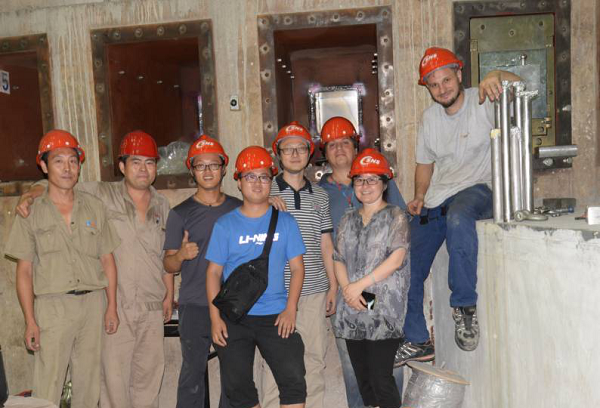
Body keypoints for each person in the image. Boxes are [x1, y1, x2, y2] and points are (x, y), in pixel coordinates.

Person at [16, 130, 174, 408]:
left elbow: (164, 256)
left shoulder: (163, 205)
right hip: (107, 306)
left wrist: (168, 296)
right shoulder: (101, 194)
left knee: (142, 385)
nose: (143, 169)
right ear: (122, 166)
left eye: (149, 162)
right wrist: (31, 192)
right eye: (136, 162)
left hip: (142, 307)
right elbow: (61, 184)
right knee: (109, 385)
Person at [397, 47, 521, 365]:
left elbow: (521, 86)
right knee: (405, 255)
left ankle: (464, 308)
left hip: (479, 189)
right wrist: (420, 196)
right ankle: (416, 338)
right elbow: (424, 163)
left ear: (459, 74)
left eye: (446, 80)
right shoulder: (429, 118)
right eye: (434, 84)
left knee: (458, 218)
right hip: (439, 196)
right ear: (427, 88)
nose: (442, 89)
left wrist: (497, 75)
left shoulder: (484, 100)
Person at [5, 130, 120, 407]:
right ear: (44, 167)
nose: (67, 168)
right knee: (48, 386)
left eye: (73, 160)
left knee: (88, 386)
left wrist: (112, 306)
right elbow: (24, 271)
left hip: (92, 304)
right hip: (52, 307)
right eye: (58, 161)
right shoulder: (31, 211)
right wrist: (30, 320)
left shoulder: (94, 207)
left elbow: (108, 260)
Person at [206, 146, 307, 408]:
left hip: (276, 315)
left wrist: (291, 308)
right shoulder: (225, 225)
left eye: (263, 176)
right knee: (238, 388)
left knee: (294, 381)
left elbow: (297, 268)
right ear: (238, 182)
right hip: (234, 316)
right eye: (250, 176)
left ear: (271, 181)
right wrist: (215, 319)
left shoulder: (286, 222)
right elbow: (213, 272)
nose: (257, 182)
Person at [317, 116, 406, 408]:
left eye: (345, 142)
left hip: (383, 297)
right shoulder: (324, 198)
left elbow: (399, 253)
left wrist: (360, 289)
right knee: (357, 370)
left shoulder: (391, 207)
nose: (339, 148)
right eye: (332, 144)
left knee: (385, 370)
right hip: (349, 297)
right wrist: (347, 290)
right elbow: (336, 254)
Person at [257, 122, 336, 408]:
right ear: (278, 154)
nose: (294, 154)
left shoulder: (321, 195)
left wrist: (333, 286)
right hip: (276, 294)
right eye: (287, 149)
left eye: (300, 148)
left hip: (314, 292)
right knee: (274, 362)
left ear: (309, 153)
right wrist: (264, 202)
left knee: (314, 359)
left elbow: (326, 243)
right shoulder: (263, 192)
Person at [163, 135, 242, 408]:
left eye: (213, 165)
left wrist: (274, 201)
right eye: (200, 165)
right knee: (192, 374)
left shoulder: (239, 208)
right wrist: (181, 255)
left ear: (224, 168)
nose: (207, 171)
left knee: (233, 376)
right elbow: (168, 265)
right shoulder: (180, 213)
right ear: (192, 170)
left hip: (232, 305)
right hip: (194, 304)